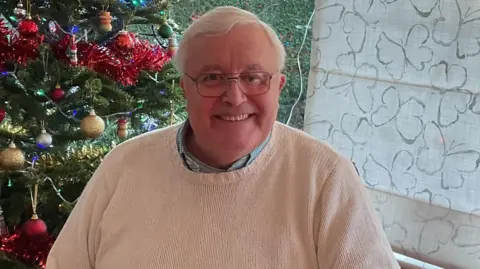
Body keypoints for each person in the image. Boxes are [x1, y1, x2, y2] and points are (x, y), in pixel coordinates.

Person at [45, 6, 400, 269]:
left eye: (254, 77)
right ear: (185, 88)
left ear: (278, 86)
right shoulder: (123, 165)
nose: (235, 97)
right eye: (212, 77)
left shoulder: (325, 176)